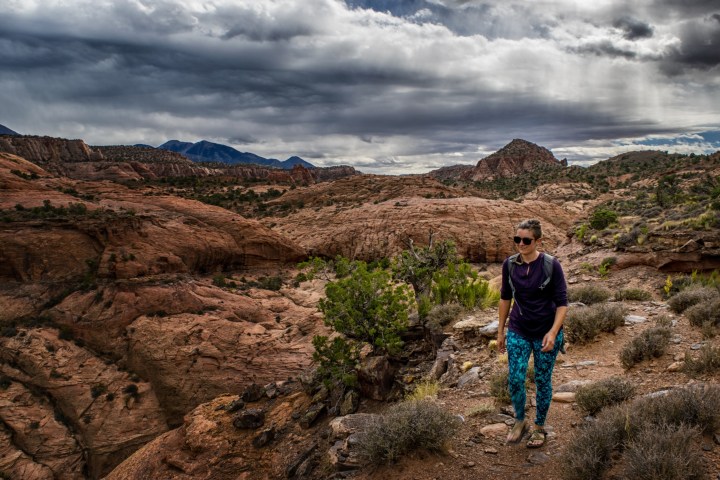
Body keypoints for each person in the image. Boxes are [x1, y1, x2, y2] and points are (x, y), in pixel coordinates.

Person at [497, 219, 568, 448]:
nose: (521, 243)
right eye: (517, 239)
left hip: (546, 331)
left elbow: (562, 303)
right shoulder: (509, 265)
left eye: (526, 240)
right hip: (519, 328)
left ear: (538, 241)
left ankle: (539, 427)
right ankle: (520, 421)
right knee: (516, 378)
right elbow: (505, 297)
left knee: (542, 379)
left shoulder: (551, 265)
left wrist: (553, 332)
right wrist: (500, 331)